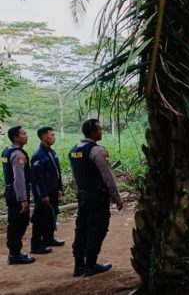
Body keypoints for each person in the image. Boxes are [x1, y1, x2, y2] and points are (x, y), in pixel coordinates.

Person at [69, 119, 123, 277]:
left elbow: (77, 175)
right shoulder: (96, 150)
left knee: (82, 228)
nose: (101, 132)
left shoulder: (74, 150)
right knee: (97, 228)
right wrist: (117, 198)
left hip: (83, 195)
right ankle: (90, 265)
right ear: (92, 132)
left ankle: (79, 265)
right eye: (99, 129)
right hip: (97, 196)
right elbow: (108, 177)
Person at [2, 126, 36, 265]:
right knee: (19, 223)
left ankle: (14, 253)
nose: (26, 136)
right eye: (23, 134)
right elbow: (19, 178)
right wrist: (23, 199)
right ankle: (15, 255)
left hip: (10, 191)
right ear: (16, 137)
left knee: (13, 223)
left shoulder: (6, 151)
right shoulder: (18, 155)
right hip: (17, 193)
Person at [30, 127, 65, 254]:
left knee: (52, 214)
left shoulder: (51, 152)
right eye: (52, 135)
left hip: (53, 191)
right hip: (43, 194)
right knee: (40, 218)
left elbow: (57, 172)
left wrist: (60, 188)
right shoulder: (38, 155)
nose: (54, 137)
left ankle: (48, 239)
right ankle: (36, 245)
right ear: (44, 137)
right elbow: (36, 178)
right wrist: (43, 194)